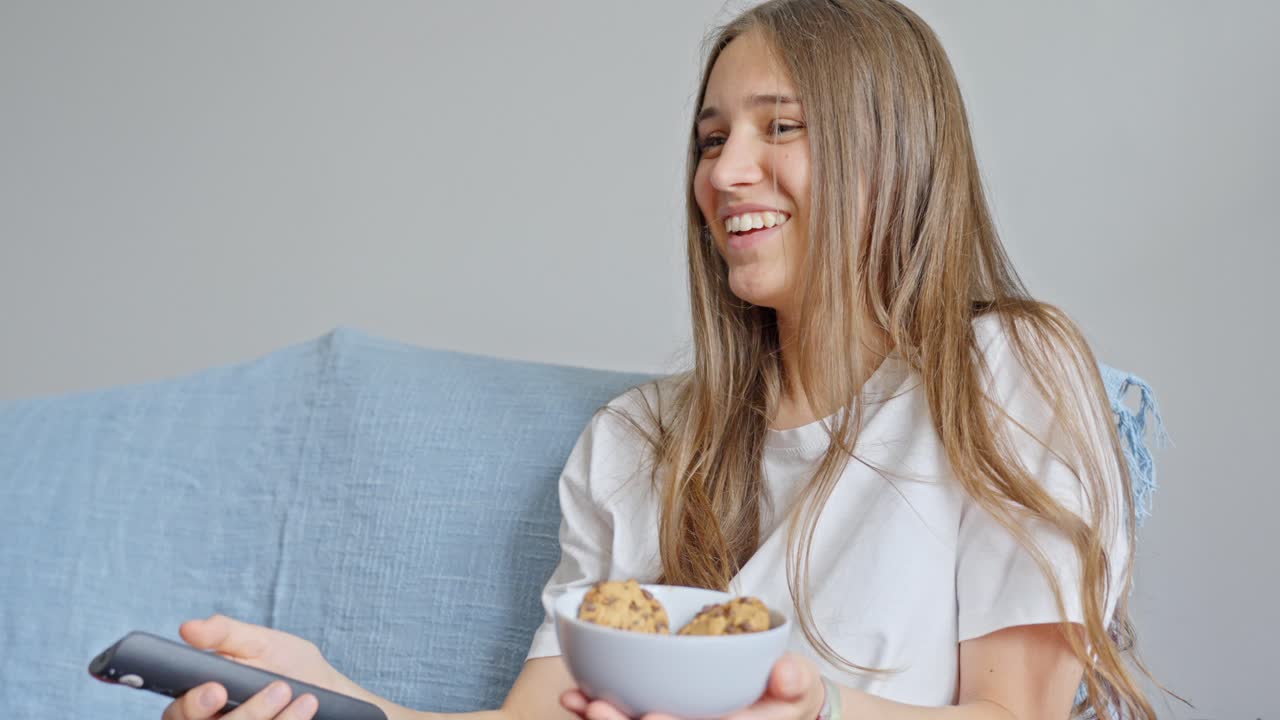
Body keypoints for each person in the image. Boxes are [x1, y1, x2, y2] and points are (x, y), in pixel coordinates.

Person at [161, 1, 1159, 719]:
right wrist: (341, 704)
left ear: (889, 154)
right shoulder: (639, 443)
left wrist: (816, 714)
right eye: (708, 137)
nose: (723, 173)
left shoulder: (1003, 369)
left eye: (781, 128)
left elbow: (1017, 715)